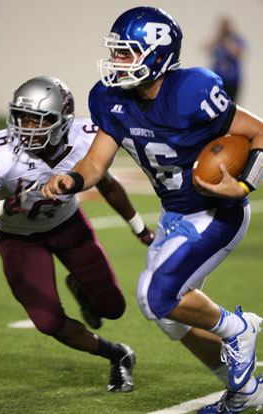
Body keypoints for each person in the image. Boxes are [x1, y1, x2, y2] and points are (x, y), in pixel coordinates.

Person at [41, 7, 263, 413]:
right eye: (116, 52)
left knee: (153, 295)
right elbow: (94, 164)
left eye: (126, 53)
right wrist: (70, 181)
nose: (116, 62)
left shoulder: (193, 90)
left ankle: (238, 327)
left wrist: (245, 182)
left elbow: (259, 131)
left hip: (216, 213)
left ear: (158, 55)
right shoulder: (110, 98)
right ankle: (246, 391)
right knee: (170, 317)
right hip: (174, 215)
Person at [0, 75, 156, 393]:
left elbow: (108, 185)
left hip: (68, 225)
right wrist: (9, 205)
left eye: (39, 120)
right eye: (22, 117)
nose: (28, 127)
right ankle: (117, 354)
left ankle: (80, 285)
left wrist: (140, 229)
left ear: (62, 121)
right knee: (47, 321)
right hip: (18, 238)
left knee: (112, 308)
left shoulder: (84, 137)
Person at [203, 16, 245, 102]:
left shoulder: (236, 39)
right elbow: (204, 47)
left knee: (232, 105)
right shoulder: (218, 41)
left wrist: (228, 41)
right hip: (217, 79)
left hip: (232, 81)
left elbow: (238, 53)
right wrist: (217, 41)